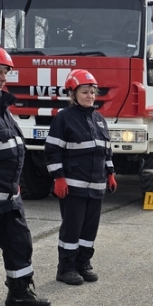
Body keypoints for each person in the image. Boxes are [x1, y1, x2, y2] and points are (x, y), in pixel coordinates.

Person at [0, 49, 50, 306]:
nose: (4, 78)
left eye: (7, 73)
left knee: (20, 244)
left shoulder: (1, 107)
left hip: (10, 197)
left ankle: (19, 292)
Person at [45, 69, 117, 285]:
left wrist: (111, 173)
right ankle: (65, 269)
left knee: (89, 230)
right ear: (73, 94)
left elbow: (106, 150)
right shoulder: (64, 118)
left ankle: (83, 264)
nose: (89, 96)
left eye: (92, 92)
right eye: (85, 91)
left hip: (96, 186)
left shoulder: (99, 119)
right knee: (72, 229)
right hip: (73, 186)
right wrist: (58, 177)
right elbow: (53, 150)